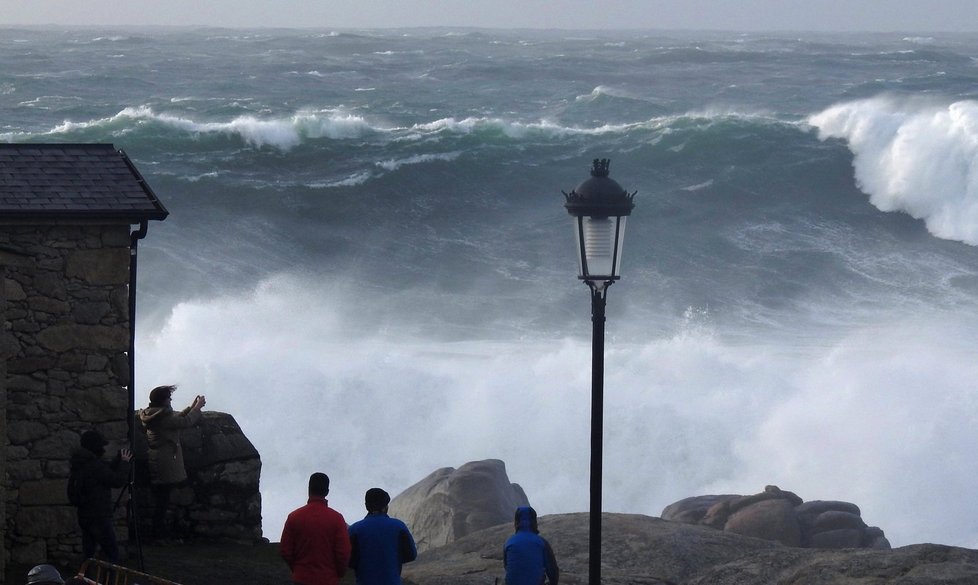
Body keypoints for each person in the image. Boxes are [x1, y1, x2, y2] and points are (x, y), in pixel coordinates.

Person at [137, 384, 205, 542]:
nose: (171, 400)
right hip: (165, 461)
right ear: (164, 401)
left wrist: (192, 407)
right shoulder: (162, 417)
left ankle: (158, 534)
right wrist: (198, 408)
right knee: (162, 501)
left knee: (161, 499)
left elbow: (175, 420)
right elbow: (185, 422)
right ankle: (159, 536)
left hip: (157, 459)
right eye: (169, 398)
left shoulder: (154, 415)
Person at [67, 430, 132, 562]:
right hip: (99, 515)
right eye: (101, 446)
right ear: (95, 446)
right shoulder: (94, 465)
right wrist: (125, 462)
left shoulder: (81, 462)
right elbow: (116, 480)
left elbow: (104, 472)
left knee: (89, 553)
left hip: (85, 514)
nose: (103, 449)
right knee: (111, 552)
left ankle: (86, 578)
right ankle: (110, 580)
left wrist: (117, 460)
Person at [280, 472, 351, 585]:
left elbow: (285, 550)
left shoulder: (294, 516)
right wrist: (339, 573)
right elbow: (343, 553)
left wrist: (297, 568)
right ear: (327, 492)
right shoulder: (337, 518)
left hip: (301, 578)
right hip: (328, 579)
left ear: (309, 489)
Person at [348, 488, 417, 585]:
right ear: (385, 507)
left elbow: (348, 560)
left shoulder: (354, 529)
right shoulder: (399, 526)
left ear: (366, 506)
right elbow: (411, 555)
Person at [503, 506, 559, 585]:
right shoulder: (541, 542)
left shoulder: (509, 542)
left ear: (516, 522)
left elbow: (507, 567)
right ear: (534, 522)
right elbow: (553, 571)